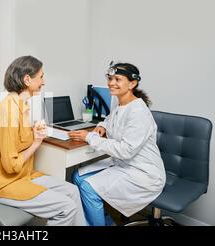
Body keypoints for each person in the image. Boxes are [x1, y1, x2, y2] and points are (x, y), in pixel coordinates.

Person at [0, 56, 86, 226]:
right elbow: (10, 165)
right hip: (4, 184)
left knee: (73, 191)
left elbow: (16, 140)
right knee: (66, 207)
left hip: (24, 175)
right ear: (27, 79)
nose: (43, 82)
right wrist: (37, 142)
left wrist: (33, 131)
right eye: (41, 76)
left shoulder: (22, 106)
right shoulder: (8, 110)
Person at [68, 62, 166, 226]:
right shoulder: (121, 103)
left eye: (117, 79)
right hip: (124, 164)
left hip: (143, 174)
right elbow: (111, 119)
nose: (111, 83)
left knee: (87, 187)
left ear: (132, 84)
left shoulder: (139, 112)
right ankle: (105, 222)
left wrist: (90, 137)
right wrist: (101, 127)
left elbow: (126, 150)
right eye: (110, 78)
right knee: (77, 176)